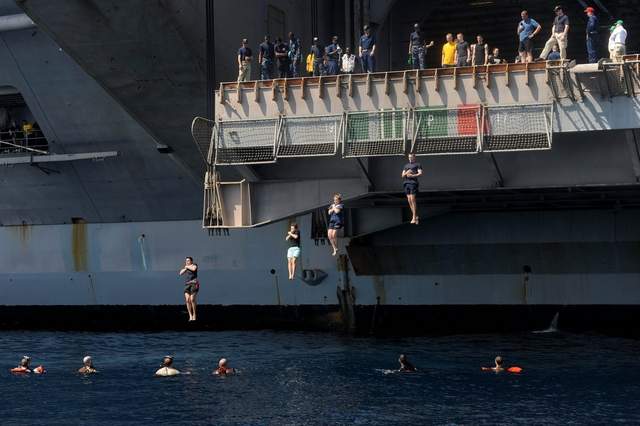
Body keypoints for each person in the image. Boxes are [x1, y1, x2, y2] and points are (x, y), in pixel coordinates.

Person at [402, 153, 423, 225]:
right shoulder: (406, 166)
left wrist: (413, 175)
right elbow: (402, 175)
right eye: (409, 157)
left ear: (414, 157)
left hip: (413, 183)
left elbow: (420, 173)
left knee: (412, 199)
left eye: (411, 157)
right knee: (409, 200)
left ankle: (414, 217)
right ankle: (415, 216)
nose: (410, 158)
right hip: (406, 183)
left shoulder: (418, 164)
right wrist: (407, 172)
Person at [179, 256, 199, 322]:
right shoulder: (186, 267)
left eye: (188, 260)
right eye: (186, 261)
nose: (187, 262)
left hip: (194, 283)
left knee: (192, 299)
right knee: (187, 300)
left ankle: (194, 314)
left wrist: (187, 267)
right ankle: (190, 315)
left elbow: (193, 269)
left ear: (191, 261)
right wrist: (185, 268)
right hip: (187, 284)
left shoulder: (194, 265)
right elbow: (180, 273)